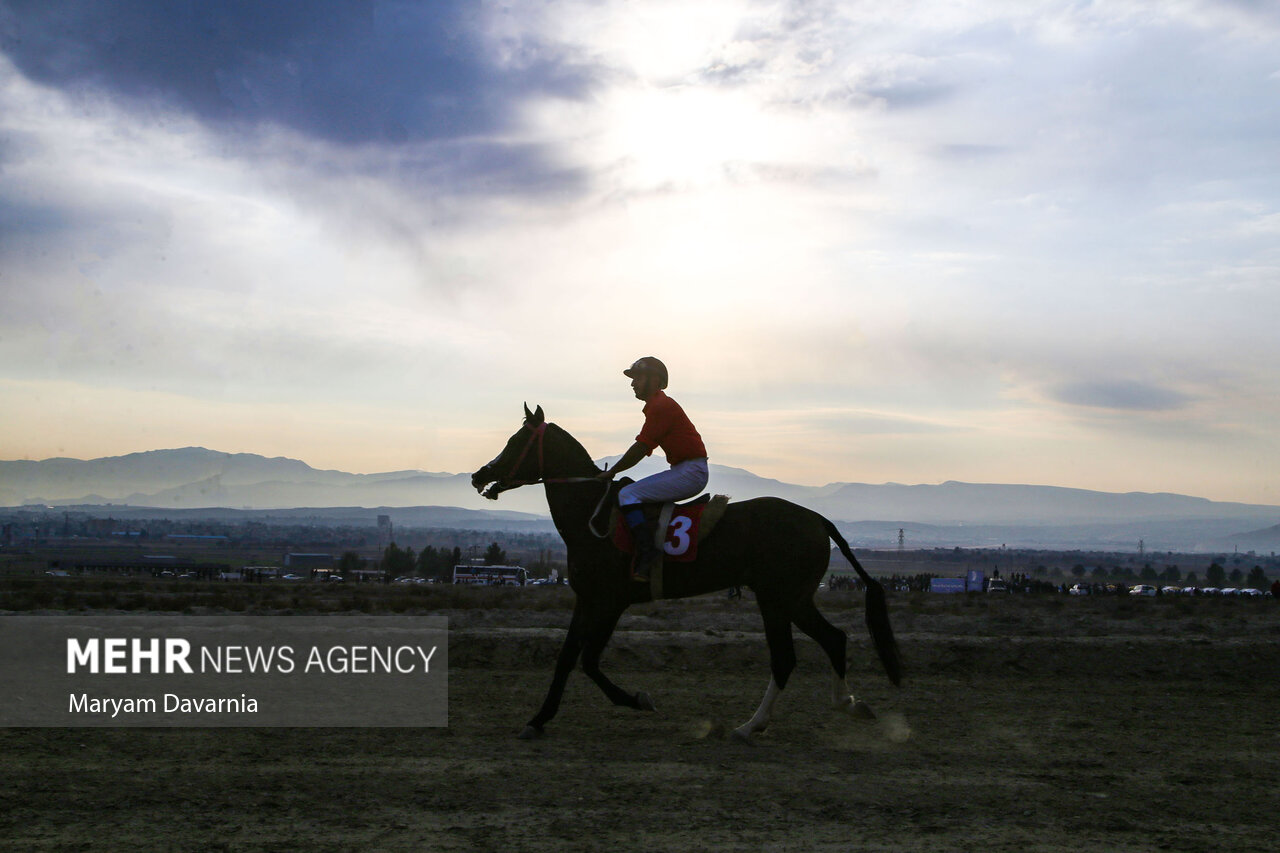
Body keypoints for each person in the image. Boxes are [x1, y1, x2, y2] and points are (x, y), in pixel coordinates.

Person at [598, 357, 708, 581]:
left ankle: (649, 552)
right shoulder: (658, 406)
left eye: (638, 378)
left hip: (690, 472)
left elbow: (641, 448)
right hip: (684, 469)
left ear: (654, 380)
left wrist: (612, 472)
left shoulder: (661, 406)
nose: (633, 384)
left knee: (627, 493)